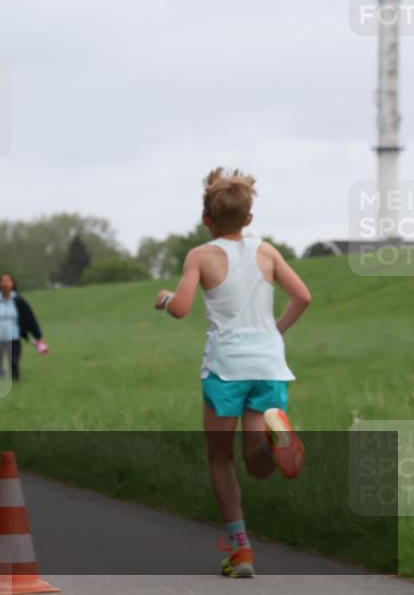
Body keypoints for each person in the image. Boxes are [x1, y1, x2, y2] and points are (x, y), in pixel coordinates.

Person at [154, 168, 310, 578]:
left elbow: (182, 308)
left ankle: (241, 552)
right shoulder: (268, 252)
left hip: (226, 368)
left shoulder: (200, 256)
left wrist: (166, 298)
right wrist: (273, 332)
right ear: (250, 219)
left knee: (221, 458)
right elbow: (303, 296)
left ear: (206, 219)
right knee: (256, 461)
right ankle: (276, 445)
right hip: (268, 365)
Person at [0, 273, 47, 383]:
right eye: (3, 281)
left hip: (14, 337)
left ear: (12, 284)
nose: (5, 283)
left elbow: (30, 319)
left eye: (8, 281)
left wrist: (38, 337)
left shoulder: (19, 301)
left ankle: (15, 382)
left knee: (14, 362)